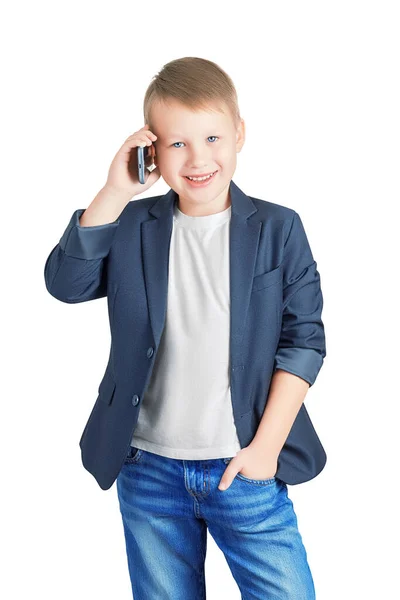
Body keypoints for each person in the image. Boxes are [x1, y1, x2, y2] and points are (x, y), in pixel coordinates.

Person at [44, 56, 327, 599]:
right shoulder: (130, 225)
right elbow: (66, 283)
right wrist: (115, 192)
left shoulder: (278, 227)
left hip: (244, 466)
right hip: (147, 468)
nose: (198, 159)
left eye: (213, 137)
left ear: (239, 134)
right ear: (152, 152)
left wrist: (264, 450)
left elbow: (304, 342)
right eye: (177, 144)